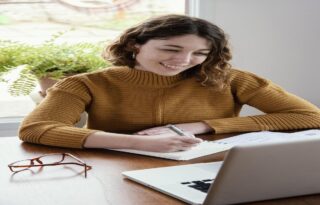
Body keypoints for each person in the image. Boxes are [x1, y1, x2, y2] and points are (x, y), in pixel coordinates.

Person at [19, 14, 320, 152]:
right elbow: (36, 129)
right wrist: (138, 142)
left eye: (200, 53)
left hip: (209, 167)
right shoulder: (85, 84)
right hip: (117, 169)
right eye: (171, 49)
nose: (184, 60)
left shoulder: (231, 80)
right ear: (136, 45)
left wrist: (202, 125)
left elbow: (311, 117)